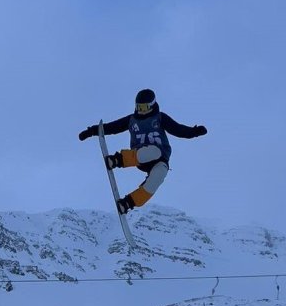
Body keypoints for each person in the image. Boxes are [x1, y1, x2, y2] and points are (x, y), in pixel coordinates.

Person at [78, 89, 208, 214]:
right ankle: (117, 160)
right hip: (139, 156)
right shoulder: (132, 120)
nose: (141, 111)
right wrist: (91, 131)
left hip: (160, 159)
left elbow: (178, 130)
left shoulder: (160, 118)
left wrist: (194, 132)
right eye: (139, 108)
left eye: (144, 108)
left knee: (161, 173)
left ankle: (128, 203)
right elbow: (112, 127)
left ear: (152, 105)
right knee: (153, 151)